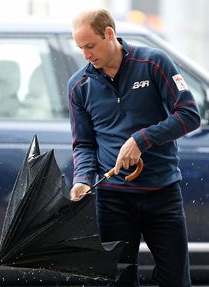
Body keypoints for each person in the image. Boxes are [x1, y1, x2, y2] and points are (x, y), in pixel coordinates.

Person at [68, 8, 201, 287]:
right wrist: (82, 179)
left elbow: (189, 115)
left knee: (176, 280)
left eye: (90, 45)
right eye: (80, 48)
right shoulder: (78, 85)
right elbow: (84, 143)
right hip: (112, 200)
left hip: (162, 194)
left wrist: (141, 140)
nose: (86, 55)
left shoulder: (153, 63)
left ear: (109, 33)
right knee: (117, 281)